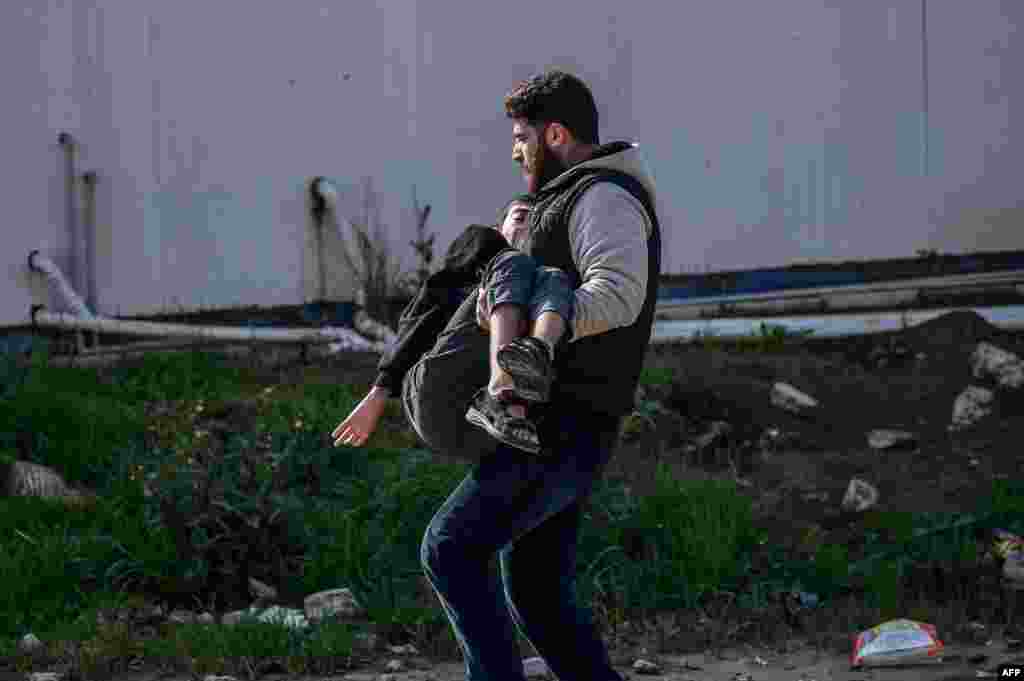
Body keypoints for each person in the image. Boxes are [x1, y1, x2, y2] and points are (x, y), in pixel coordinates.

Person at [420, 70, 663, 681]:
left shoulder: (604, 195)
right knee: (537, 593)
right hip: (560, 424)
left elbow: (618, 295)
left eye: (522, 136)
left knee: (451, 550)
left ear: (556, 133)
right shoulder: (568, 196)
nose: (515, 150)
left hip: (561, 425)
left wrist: (538, 336)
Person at [331, 194, 574, 455]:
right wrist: (378, 394)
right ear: (498, 228)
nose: (529, 226)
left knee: (555, 278)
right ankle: (501, 390)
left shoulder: (546, 282)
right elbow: (423, 314)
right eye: (521, 218)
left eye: (537, 220)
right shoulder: (480, 256)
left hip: (487, 431)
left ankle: (521, 382)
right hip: (436, 396)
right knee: (512, 262)